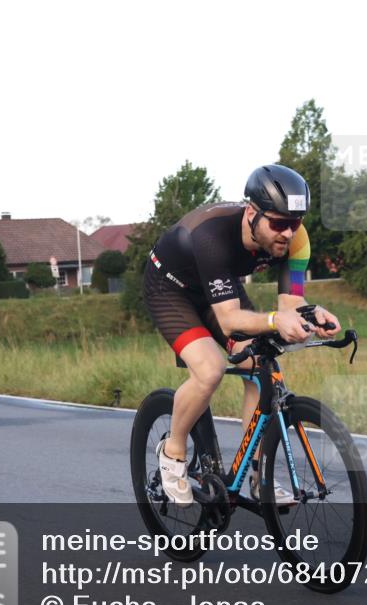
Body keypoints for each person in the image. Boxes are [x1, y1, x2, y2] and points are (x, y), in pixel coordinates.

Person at [143, 164, 341, 506]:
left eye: (295, 223)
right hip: (171, 289)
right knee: (209, 370)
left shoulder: (297, 239)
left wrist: (311, 315)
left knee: (259, 365)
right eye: (278, 223)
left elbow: (291, 302)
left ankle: (257, 474)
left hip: (219, 289)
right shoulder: (211, 236)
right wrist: (275, 320)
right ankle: (173, 450)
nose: (288, 234)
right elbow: (231, 319)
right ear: (251, 213)